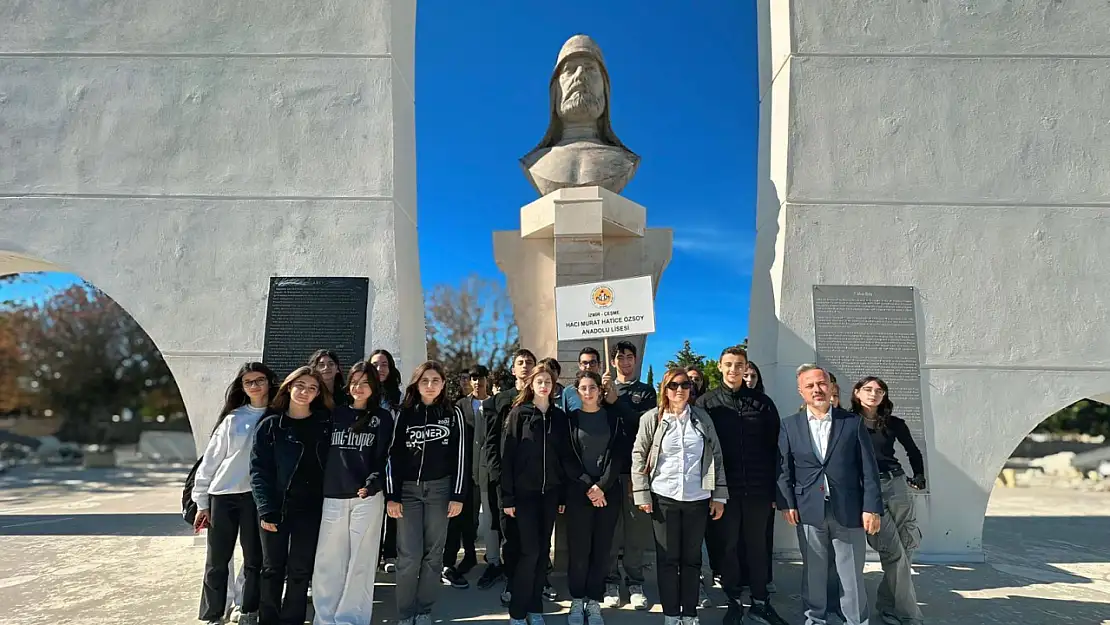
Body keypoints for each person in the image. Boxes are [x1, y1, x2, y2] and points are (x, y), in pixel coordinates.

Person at [777, 365, 882, 625]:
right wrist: (787, 503)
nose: (817, 389)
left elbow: (869, 469)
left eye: (821, 384)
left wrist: (872, 507)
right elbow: (783, 469)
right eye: (810, 385)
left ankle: (856, 621)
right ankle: (815, 619)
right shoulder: (789, 425)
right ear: (801, 391)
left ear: (831, 387)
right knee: (814, 571)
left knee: (851, 574)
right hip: (808, 509)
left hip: (848, 508)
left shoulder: (852, 422)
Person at [696, 348, 787, 625]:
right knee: (729, 547)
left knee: (758, 547)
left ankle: (761, 602)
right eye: (729, 365)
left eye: (739, 365)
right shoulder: (706, 403)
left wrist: (776, 490)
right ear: (720, 367)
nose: (734, 370)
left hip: (759, 490)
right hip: (724, 492)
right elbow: (701, 449)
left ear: (746, 368)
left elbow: (777, 448)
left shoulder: (763, 403)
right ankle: (733, 601)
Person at [631, 368, 726, 625]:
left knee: (692, 559)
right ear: (665, 389)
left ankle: (690, 613)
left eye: (684, 385)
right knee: (668, 559)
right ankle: (672, 614)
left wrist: (719, 495)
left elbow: (716, 456)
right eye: (673, 385)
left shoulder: (702, 418)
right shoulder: (652, 418)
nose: (679, 390)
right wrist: (642, 494)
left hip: (697, 497)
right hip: (664, 497)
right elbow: (639, 456)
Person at [311, 361, 395, 625]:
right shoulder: (335, 414)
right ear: (348, 385)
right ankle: (325, 618)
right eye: (355, 381)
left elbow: (385, 457)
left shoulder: (382, 418)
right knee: (328, 560)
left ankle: (351, 619)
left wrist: (372, 484)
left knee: (361, 560)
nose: (359, 387)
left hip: (366, 498)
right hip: (333, 495)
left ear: (374, 386)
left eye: (365, 382)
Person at [194, 362, 277, 625]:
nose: (255, 386)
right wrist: (202, 501)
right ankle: (213, 613)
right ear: (242, 387)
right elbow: (210, 461)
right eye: (248, 382)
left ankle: (248, 608)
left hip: (256, 498)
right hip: (224, 496)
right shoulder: (233, 418)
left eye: (259, 380)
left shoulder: (279, 416)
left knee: (254, 558)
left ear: (269, 381)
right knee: (218, 559)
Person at [250, 366, 334, 625]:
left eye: (312, 388)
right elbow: (259, 471)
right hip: (277, 506)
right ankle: (269, 619)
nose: (305, 392)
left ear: (318, 393)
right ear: (289, 387)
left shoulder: (325, 425)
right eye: (300, 385)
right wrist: (265, 508)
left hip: (310, 508)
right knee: (272, 569)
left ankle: (293, 620)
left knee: (300, 571)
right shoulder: (270, 426)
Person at [386, 361, 467, 625]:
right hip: (408, 492)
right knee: (409, 556)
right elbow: (391, 455)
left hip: (440, 491)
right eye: (425, 381)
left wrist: (457, 495)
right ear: (416, 384)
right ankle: (405, 613)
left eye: (435, 380)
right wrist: (392, 495)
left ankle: (423, 610)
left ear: (443, 384)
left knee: (434, 554)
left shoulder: (452, 413)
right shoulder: (403, 413)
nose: (430, 386)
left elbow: (460, 456)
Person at [500, 364, 579, 625]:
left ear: (554, 386)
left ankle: (535, 607)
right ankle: (518, 611)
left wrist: (564, 497)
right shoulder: (518, 414)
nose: (544, 385)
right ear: (531, 384)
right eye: (539, 381)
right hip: (525, 495)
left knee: (543, 551)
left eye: (548, 381)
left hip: (551, 494)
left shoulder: (559, 418)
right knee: (529, 552)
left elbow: (566, 457)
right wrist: (507, 497)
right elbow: (507, 457)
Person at [851, 377, 926, 625]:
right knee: (893, 553)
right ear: (857, 393)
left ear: (884, 396)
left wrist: (918, 476)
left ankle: (886, 604)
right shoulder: (848, 423)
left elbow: (913, 451)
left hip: (897, 485)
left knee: (907, 546)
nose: (874, 394)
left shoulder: (894, 423)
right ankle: (909, 615)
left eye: (879, 391)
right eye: (868, 389)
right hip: (868, 491)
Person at [564, 370, 627, 625]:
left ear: (600, 391)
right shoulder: (569, 421)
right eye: (583, 388)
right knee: (579, 551)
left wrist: (602, 486)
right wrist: (589, 487)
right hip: (579, 494)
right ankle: (577, 600)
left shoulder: (613, 418)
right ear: (577, 392)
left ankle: (594, 600)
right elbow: (567, 459)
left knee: (602, 550)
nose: (588, 392)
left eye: (592, 387)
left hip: (608, 494)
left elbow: (618, 455)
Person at [604, 340, 656, 611]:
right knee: (611, 529)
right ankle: (610, 580)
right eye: (620, 357)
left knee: (635, 530)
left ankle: (635, 582)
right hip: (608, 472)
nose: (625, 362)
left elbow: (645, 425)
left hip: (636, 471)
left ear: (635, 361)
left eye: (629, 357)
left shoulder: (646, 392)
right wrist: (606, 397)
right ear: (613, 361)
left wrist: (618, 403)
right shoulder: (605, 390)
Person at [484, 349, 537, 607]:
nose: (525, 366)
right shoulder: (500, 400)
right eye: (520, 363)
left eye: (529, 362)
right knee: (511, 536)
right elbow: (491, 442)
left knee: (534, 537)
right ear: (513, 370)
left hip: (536, 482)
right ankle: (512, 582)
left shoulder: (542, 400)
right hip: (507, 483)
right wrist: (496, 474)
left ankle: (537, 583)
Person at [443, 365, 490, 589]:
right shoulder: (459, 407)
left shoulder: (495, 404)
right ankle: (467, 555)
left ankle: (494, 560)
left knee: (491, 519)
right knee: (465, 519)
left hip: (489, 470)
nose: (476, 382)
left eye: (480, 378)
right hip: (466, 469)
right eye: (472, 378)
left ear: (487, 380)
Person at [742, 360, 776, 594]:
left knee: (762, 537)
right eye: (745, 375)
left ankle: (763, 580)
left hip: (762, 481)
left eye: (753, 376)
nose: (749, 380)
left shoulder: (766, 405)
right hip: (737, 481)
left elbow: (775, 443)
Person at [370, 349, 403, 574]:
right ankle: (372, 555)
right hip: (367, 457)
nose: (380, 369)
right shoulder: (362, 392)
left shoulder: (398, 397)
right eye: (375, 364)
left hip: (391, 457)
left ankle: (390, 553)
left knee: (392, 506)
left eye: (384, 365)